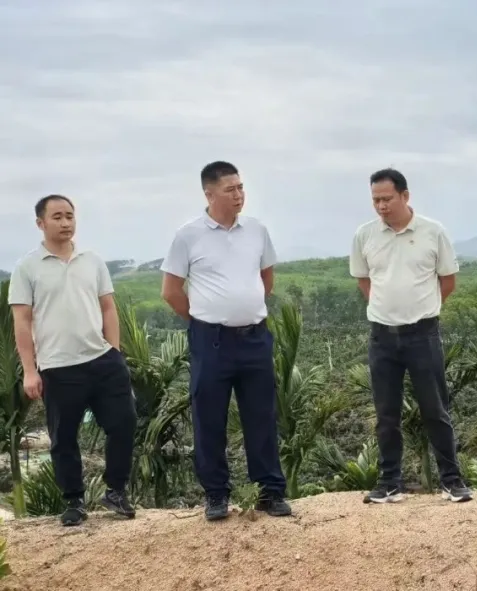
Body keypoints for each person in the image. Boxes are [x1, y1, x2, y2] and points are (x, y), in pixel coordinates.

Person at [160, 161, 291, 521]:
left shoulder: (257, 230)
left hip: (255, 338)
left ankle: (270, 492)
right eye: (230, 189)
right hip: (211, 341)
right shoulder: (188, 235)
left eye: (241, 187)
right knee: (209, 418)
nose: (239, 195)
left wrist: (243, 307)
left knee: (261, 415)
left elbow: (266, 279)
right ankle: (216, 494)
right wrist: (204, 319)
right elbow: (171, 291)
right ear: (209, 193)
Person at [8, 194, 137, 526]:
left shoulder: (92, 261)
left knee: (123, 424)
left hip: (103, 361)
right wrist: (30, 371)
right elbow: (22, 321)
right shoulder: (27, 267)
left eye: (70, 216)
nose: (65, 223)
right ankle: (74, 501)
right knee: (64, 438)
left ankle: (116, 491)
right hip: (58, 367)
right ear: (41, 223)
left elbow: (108, 307)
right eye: (57, 217)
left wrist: (115, 352)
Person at [349, 168, 472, 504]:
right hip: (382, 337)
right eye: (376, 200)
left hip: (423, 334)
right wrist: (386, 309)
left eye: (387, 199)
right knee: (386, 413)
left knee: (435, 409)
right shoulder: (365, 235)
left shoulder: (433, 232)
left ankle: (452, 481)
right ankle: (389, 482)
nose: (381, 206)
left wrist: (422, 308)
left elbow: (448, 281)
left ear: (405, 195)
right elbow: (364, 280)